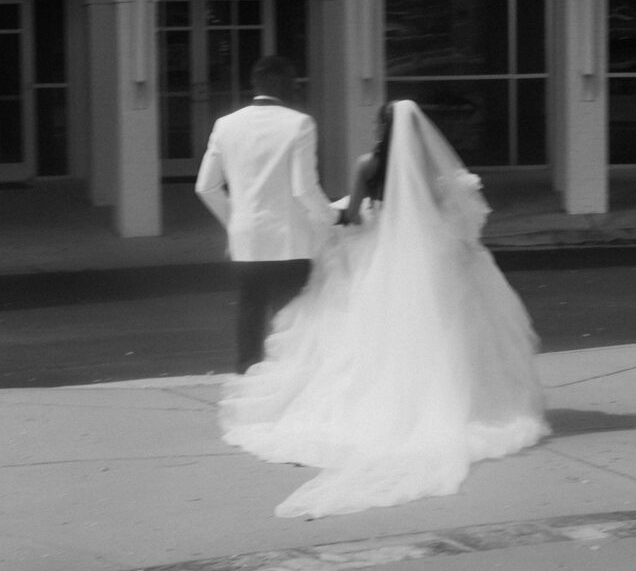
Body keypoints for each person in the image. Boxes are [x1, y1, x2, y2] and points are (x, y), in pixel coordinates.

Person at [220, 99, 549, 517]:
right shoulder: (432, 172)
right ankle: (456, 403)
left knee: (371, 331)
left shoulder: (366, 166)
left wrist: (338, 214)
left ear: (381, 128)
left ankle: (387, 400)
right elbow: (450, 212)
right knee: (442, 332)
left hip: (379, 256)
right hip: (432, 258)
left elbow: (354, 216)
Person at [195, 55, 339, 375]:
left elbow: (206, 187)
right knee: (289, 309)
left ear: (254, 84)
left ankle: (247, 368)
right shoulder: (299, 123)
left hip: (246, 235)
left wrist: (234, 220)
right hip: (289, 237)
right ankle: (289, 373)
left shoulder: (226, 124)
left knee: (250, 303)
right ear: (287, 84)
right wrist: (330, 217)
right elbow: (303, 188)